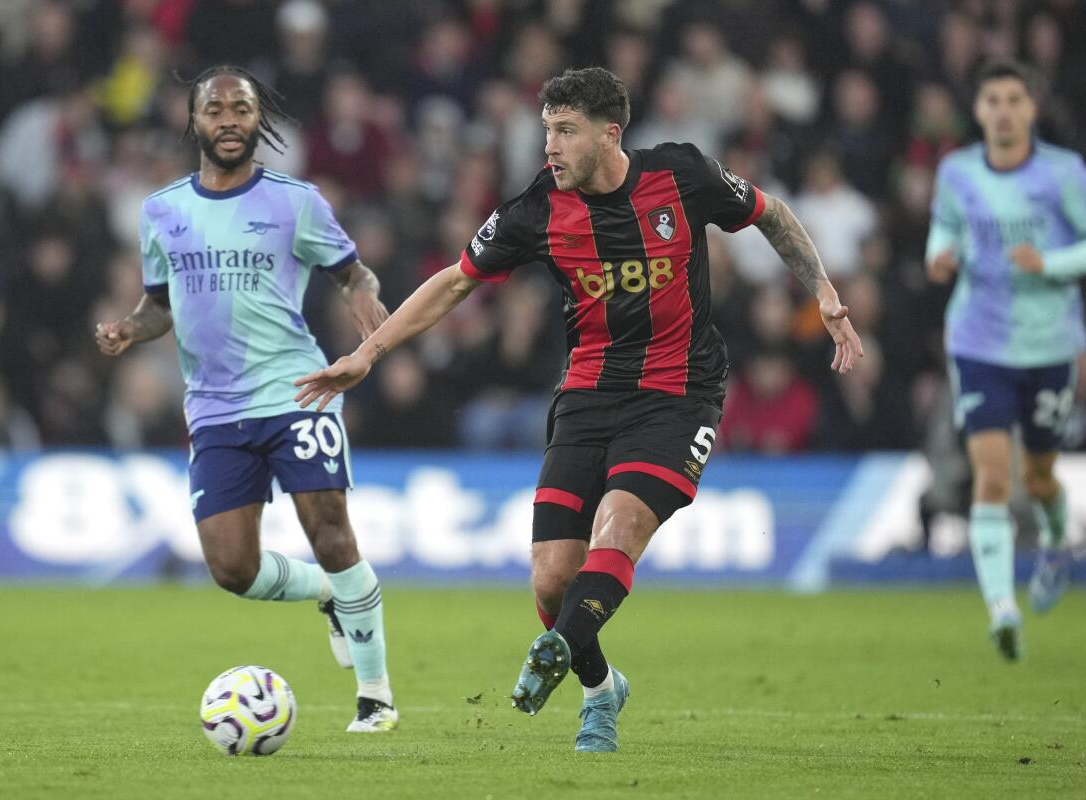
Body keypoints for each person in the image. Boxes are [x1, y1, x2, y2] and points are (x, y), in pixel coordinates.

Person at [296, 67, 862, 751]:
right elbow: (453, 284)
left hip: (679, 395)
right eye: (547, 131)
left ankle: (553, 657)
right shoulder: (536, 209)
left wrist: (824, 291)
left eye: (565, 131)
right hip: (588, 396)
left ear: (609, 133)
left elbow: (769, 214)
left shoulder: (681, 176)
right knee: (551, 578)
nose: (551, 147)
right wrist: (370, 352)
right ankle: (600, 686)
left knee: (618, 525)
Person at [94, 66, 398, 731]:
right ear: (193, 121)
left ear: (260, 119)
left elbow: (352, 270)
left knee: (328, 528)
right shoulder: (163, 211)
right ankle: (329, 596)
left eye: (242, 108)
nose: (229, 119)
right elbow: (158, 306)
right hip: (215, 408)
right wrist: (129, 328)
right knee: (232, 568)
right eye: (215, 109)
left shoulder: (296, 200)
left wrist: (362, 295)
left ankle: (375, 697)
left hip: (297, 389)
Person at [926, 59, 1086, 661]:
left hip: (1048, 345)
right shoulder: (957, 171)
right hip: (978, 342)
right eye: (992, 99)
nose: (1003, 110)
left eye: (1014, 99)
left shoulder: (1064, 173)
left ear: (1031, 109)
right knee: (993, 475)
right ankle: (1002, 609)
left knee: (1041, 476)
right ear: (979, 111)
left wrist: (1052, 264)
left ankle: (1051, 543)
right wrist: (939, 255)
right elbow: (943, 230)